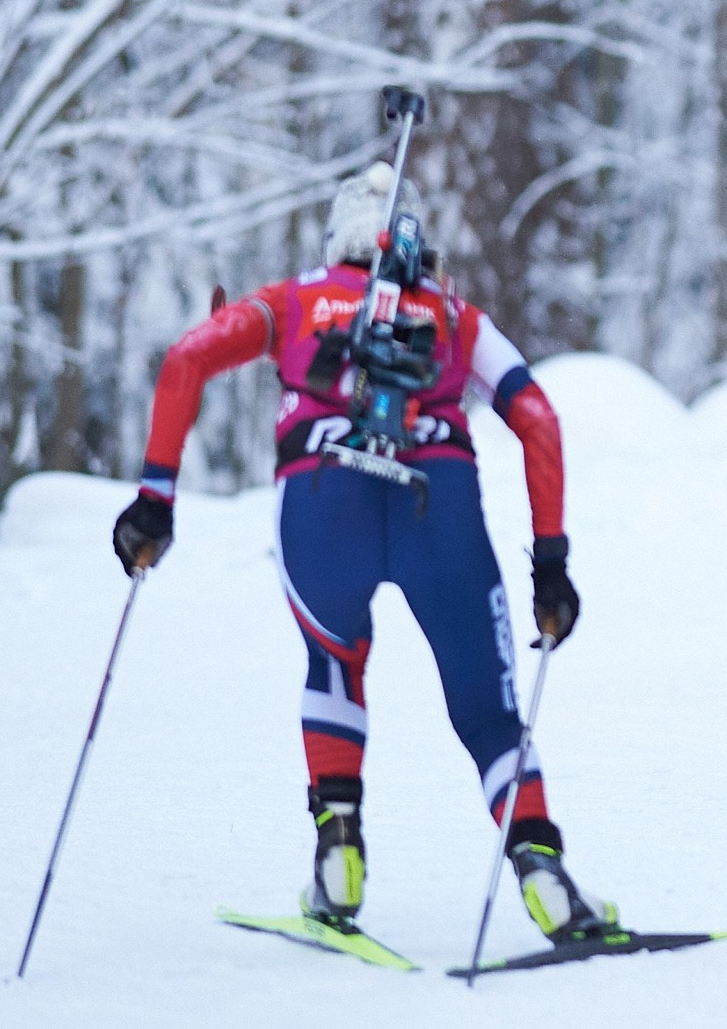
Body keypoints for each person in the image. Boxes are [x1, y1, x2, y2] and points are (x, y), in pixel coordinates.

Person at [108, 163, 611, 943]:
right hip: (436, 499)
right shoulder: (454, 315)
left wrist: (155, 500)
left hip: (318, 500)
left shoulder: (294, 300)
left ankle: (338, 860)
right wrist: (550, 562)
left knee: (333, 662)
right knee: (488, 712)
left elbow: (185, 360)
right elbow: (537, 418)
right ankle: (542, 872)